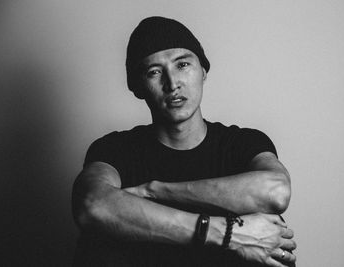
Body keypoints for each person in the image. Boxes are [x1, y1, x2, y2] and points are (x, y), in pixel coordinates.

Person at [72, 16, 296, 267]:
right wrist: (227, 234)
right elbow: (92, 205)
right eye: (154, 71)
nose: (172, 83)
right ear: (138, 87)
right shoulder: (116, 151)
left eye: (182, 65)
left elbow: (276, 191)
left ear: (203, 71)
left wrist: (154, 191)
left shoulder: (241, 144)